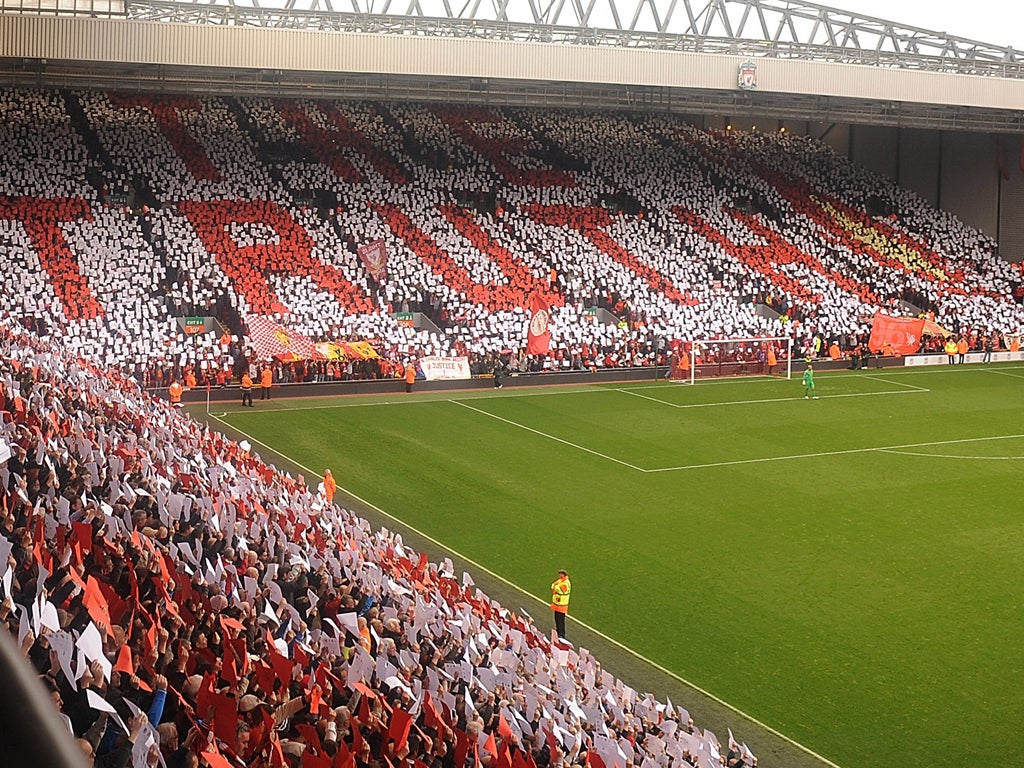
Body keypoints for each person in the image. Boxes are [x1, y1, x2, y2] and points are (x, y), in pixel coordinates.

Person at [551, 569, 571, 639]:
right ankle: (558, 631)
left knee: (560, 620)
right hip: (557, 605)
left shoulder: (566, 583)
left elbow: (559, 589)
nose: (559, 575)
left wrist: (556, 587)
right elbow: (552, 585)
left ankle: (561, 634)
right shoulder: (561, 581)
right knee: (556, 618)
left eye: (560, 574)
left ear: (563, 574)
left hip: (562, 605)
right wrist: (556, 586)